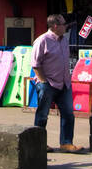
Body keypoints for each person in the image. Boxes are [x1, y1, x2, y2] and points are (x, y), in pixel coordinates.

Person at [32, 13, 81, 153]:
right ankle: (38, 143)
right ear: (55, 26)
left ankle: (66, 143)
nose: (66, 26)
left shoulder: (64, 40)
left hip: (64, 83)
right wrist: (43, 81)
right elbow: (35, 64)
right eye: (63, 24)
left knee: (68, 114)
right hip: (48, 83)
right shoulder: (42, 41)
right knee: (42, 115)